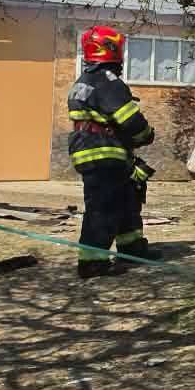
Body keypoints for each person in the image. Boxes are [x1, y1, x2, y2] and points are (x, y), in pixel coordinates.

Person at [68, 26, 160, 277]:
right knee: (104, 206)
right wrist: (146, 136)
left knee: (126, 198)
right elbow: (130, 120)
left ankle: (132, 248)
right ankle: (92, 261)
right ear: (110, 50)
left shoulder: (83, 82)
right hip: (103, 153)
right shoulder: (108, 82)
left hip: (94, 151)